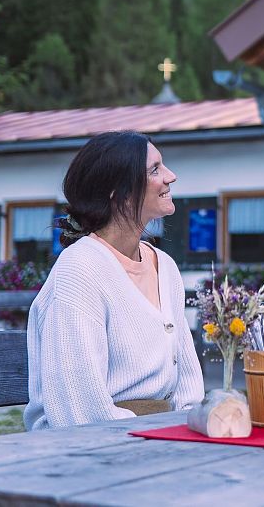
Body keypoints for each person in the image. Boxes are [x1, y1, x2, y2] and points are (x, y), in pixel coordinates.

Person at [24, 131, 204, 430]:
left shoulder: (166, 268)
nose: (171, 176)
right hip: (86, 451)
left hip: (157, 438)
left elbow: (188, 391)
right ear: (117, 191)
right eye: (155, 169)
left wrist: (192, 429)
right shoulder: (79, 270)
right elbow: (79, 413)